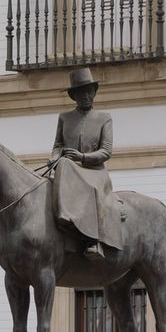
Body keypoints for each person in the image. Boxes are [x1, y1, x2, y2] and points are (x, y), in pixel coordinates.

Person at [50, 67, 120, 261]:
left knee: (67, 167)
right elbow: (58, 145)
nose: (86, 96)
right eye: (81, 93)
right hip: (69, 170)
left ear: (94, 93)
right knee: (58, 170)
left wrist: (81, 157)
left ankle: (93, 239)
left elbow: (106, 152)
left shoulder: (104, 118)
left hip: (94, 172)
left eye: (89, 91)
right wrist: (54, 157)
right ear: (74, 96)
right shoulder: (65, 118)